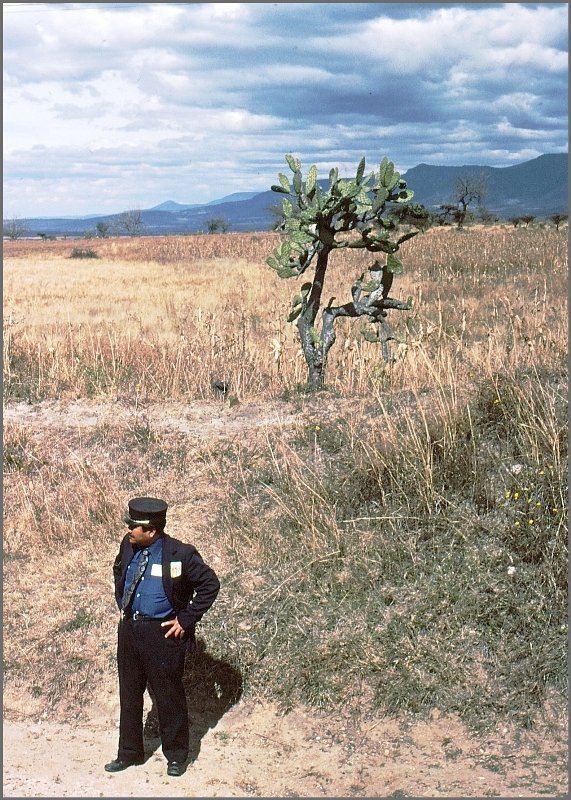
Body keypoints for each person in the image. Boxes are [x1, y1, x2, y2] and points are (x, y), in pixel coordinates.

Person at [105, 497, 220, 777]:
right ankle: (130, 753)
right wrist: (123, 601)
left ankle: (177, 755)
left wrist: (185, 619)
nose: (129, 530)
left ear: (152, 530)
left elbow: (210, 584)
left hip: (163, 635)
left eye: (135, 526)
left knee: (168, 696)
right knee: (130, 695)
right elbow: (119, 569)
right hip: (131, 631)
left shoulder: (179, 554)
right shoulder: (128, 545)